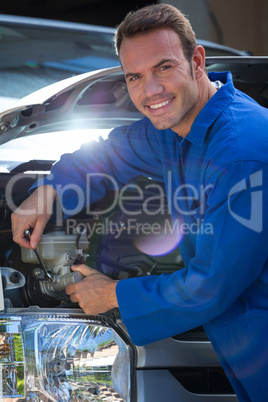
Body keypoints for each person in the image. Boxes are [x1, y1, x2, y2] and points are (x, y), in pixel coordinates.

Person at [11, 4, 268, 401]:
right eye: (135, 76)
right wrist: (49, 189)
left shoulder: (241, 153)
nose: (150, 91)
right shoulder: (177, 131)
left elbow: (211, 287)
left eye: (163, 67)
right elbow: (110, 152)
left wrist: (113, 294)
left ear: (196, 61)